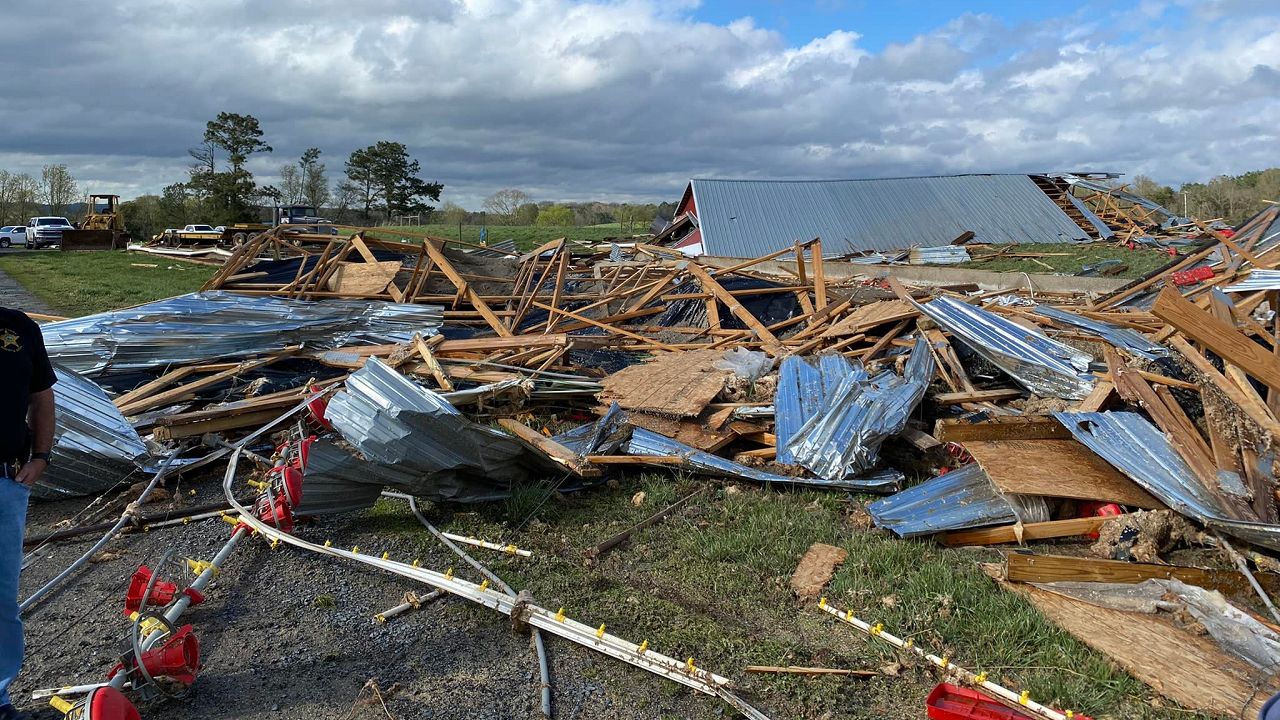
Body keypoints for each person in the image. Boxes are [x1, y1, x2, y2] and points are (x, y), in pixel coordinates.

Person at [0, 306, 55, 720]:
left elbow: (41, 397)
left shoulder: (18, 328)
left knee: (1, 599)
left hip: (5, 484)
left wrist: (40, 456)